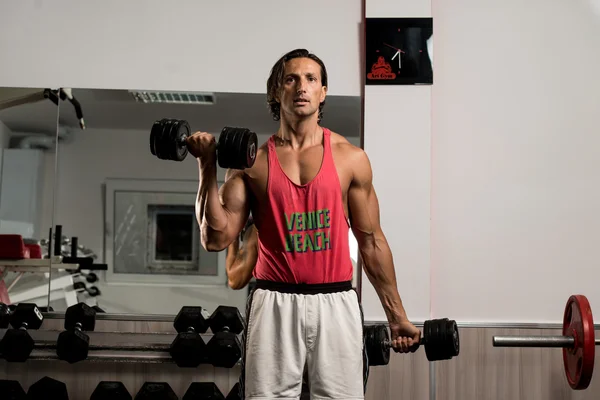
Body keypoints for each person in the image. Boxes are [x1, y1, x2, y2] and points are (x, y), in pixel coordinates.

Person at [190, 48, 420, 400]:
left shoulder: (350, 159)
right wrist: (206, 167)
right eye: (291, 79)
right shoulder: (252, 164)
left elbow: (372, 242)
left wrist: (397, 315)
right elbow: (216, 238)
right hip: (274, 303)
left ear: (323, 91)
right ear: (276, 92)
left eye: (311, 79)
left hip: (336, 301)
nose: (302, 87)